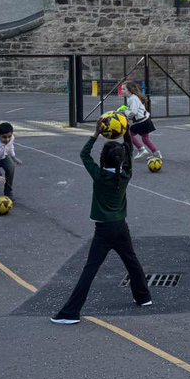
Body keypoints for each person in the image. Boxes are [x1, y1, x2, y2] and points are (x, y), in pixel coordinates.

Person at [51, 130, 151, 323]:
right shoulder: (126, 174)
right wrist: (127, 134)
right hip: (121, 227)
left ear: (103, 159)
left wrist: (96, 133)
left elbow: (84, 154)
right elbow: (128, 152)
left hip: (104, 230)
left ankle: (70, 313)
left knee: (90, 269)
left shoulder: (99, 175)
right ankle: (143, 297)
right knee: (132, 261)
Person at [123, 82, 161, 160]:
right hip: (144, 120)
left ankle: (142, 150)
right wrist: (125, 108)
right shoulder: (131, 98)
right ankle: (156, 153)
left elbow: (133, 112)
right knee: (145, 139)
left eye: (124, 89)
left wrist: (125, 111)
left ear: (130, 90)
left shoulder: (133, 98)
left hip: (142, 122)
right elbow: (132, 110)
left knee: (129, 135)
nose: (122, 90)